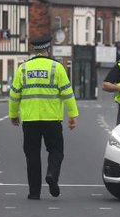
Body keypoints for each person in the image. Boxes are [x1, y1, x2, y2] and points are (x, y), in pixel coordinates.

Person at [8, 35, 78, 199]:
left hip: (30, 120)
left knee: (32, 155)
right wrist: (73, 115)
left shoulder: (23, 68)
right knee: (56, 150)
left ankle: (34, 193)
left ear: (34, 50)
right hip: (52, 119)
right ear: (48, 49)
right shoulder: (57, 67)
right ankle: (52, 174)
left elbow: (14, 94)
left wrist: (13, 114)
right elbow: (67, 93)